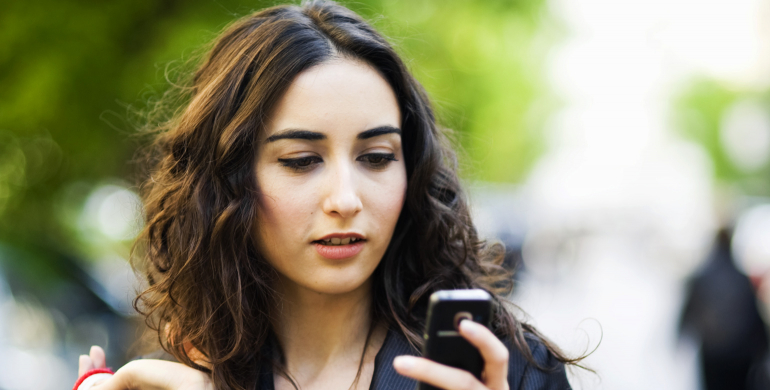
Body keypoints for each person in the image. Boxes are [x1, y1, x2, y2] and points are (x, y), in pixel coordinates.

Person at [74, 1, 579, 389]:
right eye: (301, 161)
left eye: (377, 157)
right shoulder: (177, 378)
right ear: (228, 182)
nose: (346, 198)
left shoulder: (503, 368)